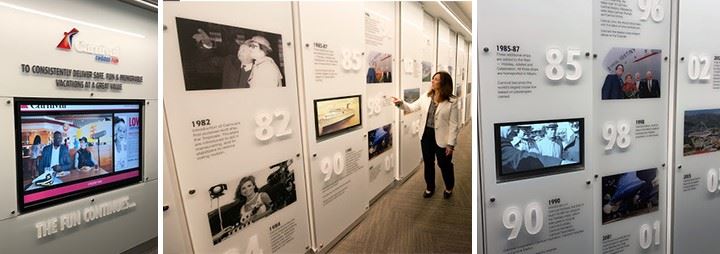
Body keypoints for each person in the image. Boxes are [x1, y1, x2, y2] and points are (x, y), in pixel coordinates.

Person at [391, 71, 459, 199]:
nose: (432, 81)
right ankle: (430, 187)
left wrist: (451, 144)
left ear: (444, 82)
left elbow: (454, 125)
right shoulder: (426, 96)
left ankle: (449, 187)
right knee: (428, 163)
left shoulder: (452, 101)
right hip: (426, 136)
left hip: (443, 139)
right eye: (432, 78)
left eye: (436, 79)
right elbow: (410, 108)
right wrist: (400, 103)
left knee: (444, 164)